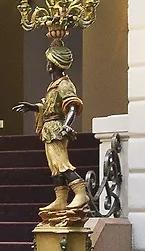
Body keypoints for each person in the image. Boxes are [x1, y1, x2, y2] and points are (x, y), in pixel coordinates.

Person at [12, 44, 88, 217]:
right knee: (54, 166)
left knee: (61, 163)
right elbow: (49, 106)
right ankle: (61, 199)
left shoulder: (64, 85)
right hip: (49, 129)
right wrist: (34, 107)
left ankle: (80, 192)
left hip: (56, 129)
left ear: (54, 63)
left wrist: (67, 125)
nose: (47, 64)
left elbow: (72, 106)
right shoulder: (54, 85)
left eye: (49, 61)